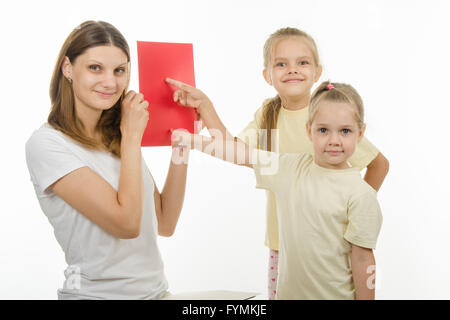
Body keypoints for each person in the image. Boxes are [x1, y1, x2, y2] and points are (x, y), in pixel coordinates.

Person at [166, 78, 383, 299]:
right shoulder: (291, 168)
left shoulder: (361, 194)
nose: (334, 140)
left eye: (345, 131)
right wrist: (191, 140)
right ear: (309, 131)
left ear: (360, 133)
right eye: (324, 130)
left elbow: (363, 260)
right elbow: (239, 153)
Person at [25, 21, 189, 300]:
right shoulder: (47, 145)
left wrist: (181, 146)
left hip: (157, 294)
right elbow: (126, 224)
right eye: (95, 68)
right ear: (68, 68)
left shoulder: (120, 137)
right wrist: (132, 137)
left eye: (119, 70)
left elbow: (164, 222)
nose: (110, 82)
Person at [237, 27, 389, 299]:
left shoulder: (330, 117)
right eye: (281, 63)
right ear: (267, 75)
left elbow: (379, 165)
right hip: (282, 241)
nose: (292, 70)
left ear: (317, 72)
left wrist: (349, 213)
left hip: (329, 242)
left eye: (302, 62)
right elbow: (238, 152)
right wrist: (202, 116)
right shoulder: (266, 115)